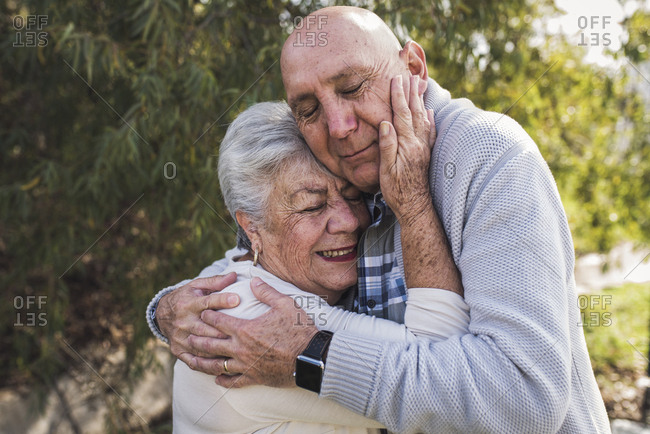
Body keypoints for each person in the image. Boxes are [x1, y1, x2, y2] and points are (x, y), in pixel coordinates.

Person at [147, 6, 610, 433]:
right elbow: (250, 260)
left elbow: (523, 401)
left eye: (352, 88)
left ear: (413, 67)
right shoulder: (344, 165)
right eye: (308, 110)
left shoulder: (488, 156)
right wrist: (167, 309)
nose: (338, 126)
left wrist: (309, 357)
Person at [173, 101, 469, 433]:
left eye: (354, 196)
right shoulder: (250, 315)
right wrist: (414, 201)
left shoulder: (260, 273)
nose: (348, 222)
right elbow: (444, 373)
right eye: (312, 206)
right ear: (252, 227)